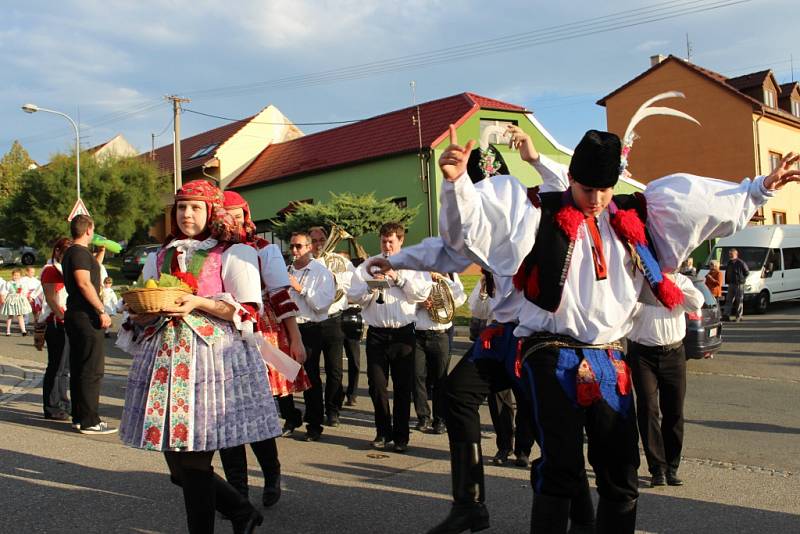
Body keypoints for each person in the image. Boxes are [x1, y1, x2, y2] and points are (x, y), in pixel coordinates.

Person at [374, 125, 797, 533]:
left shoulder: (637, 220)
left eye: (604, 189)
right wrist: (455, 189)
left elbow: (706, 204)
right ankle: (471, 504)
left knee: (622, 474)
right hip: (548, 352)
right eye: (586, 188)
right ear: (570, 177)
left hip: (611, 357)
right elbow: (465, 237)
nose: (595, 199)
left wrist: (759, 188)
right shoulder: (535, 213)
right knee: (559, 465)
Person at [117, 180, 279, 533]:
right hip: (165, 361)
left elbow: (249, 309)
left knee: (193, 462)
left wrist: (198, 302)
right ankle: (240, 511)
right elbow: (145, 304)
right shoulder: (159, 255)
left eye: (195, 207)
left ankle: (221, 522)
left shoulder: (235, 252)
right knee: (178, 466)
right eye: (181, 207)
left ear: (212, 212)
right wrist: (141, 315)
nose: (187, 214)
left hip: (212, 360)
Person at [219, 190, 309, 508]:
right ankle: (237, 493)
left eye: (235, 213)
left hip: (258, 331)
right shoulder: (209, 250)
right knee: (226, 419)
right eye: (223, 213)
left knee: (256, 414)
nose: (229, 220)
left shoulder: (264, 250)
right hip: (217, 335)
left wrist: (295, 340)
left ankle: (271, 475)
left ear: (246, 215)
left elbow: (282, 296)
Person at [347, 222, 429, 453]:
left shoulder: (412, 263)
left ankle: (401, 437)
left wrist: (398, 278)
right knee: (377, 386)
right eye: (384, 241)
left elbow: (422, 293)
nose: (387, 246)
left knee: (403, 387)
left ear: (401, 241)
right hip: (377, 334)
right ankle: (383, 432)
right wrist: (370, 287)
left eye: (392, 241)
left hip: (403, 333)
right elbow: (353, 296)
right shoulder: (368, 264)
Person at [627, 273, 704, 488]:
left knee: (674, 411)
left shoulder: (680, 280)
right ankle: (657, 468)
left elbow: (696, 303)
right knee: (648, 409)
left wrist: (667, 285)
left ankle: (672, 466)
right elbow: (626, 310)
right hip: (643, 354)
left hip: (674, 353)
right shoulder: (637, 281)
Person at [61, 215, 115, 435]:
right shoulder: (78, 253)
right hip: (85, 315)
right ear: (88, 230)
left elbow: (89, 273)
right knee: (91, 369)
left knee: (79, 365)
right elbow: (84, 283)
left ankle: (79, 416)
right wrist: (101, 309)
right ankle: (90, 420)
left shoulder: (75, 253)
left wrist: (100, 254)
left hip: (76, 314)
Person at [288, 231, 337, 441]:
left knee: (310, 378)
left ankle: (314, 424)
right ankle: (291, 416)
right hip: (288, 327)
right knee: (284, 375)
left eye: (298, 246)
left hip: (309, 328)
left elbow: (322, 305)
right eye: (291, 246)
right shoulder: (286, 269)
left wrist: (300, 289)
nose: (294, 251)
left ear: (309, 248)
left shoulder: (320, 272)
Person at [413, 271, 466, 434]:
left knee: (440, 378)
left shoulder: (450, 275)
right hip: (418, 334)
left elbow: (459, 300)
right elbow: (404, 301)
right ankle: (423, 417)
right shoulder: (416, 275)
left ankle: (440, 419)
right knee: (417, 377)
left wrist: (445, 280)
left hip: (440, 333)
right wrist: (419, 304)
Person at [308, 225, 352, 420]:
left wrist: (331, 277)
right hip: (311, 322)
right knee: (312, 372)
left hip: (334, 320)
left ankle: (333, 410)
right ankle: (315, 414)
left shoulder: (340, 261)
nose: (319, 245)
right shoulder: (303, 263)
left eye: (321, 240)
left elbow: (353, 283)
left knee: (335, 371)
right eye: (314, 241)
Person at [40, 238, 72, 421]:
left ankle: (63, 403)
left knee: (65, 369)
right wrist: (63, 317)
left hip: (66, 323)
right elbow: (51, 299)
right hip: (56, 324)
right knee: (56, 367)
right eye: (66, 251)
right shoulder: (51, 270)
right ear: (58, 251)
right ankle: (52, 407)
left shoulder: (65, 269)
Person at [2, 269, 32, 336]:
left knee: (20, 315)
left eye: (18, 275)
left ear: (20, 276)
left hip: (19, 300)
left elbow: (25, 291)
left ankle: (23, 331)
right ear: (12, 275)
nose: (16, 277)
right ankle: (8, 331)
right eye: (14, 275)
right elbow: (4, 291)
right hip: (11, 299)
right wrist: (3, 298)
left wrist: (27, 297)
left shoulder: (22, 283)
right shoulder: (8, 283)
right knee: (10, 315)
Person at [724, 248, 749, 321]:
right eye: (729, 254)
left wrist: (742, 280)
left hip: (739, 284)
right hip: (731, 284)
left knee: (739, 300)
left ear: (736, 254)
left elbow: (747, 272)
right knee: (728, 300)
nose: (730, 255)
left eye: (731, 254)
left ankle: (738, 316)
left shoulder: (741, 263)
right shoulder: (729, 262)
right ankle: (726, 315)